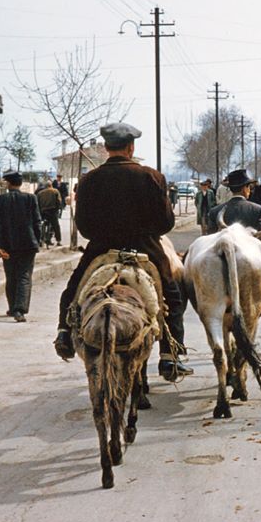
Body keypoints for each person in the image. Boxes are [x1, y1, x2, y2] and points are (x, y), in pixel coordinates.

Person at [54, 122, 191, 381]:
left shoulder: (88, 180)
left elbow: (83, 226)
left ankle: (64, 333)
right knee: (172, 297)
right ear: (131, 147)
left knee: (73, 291)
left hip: (101, 249)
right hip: (146, 249)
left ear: (106, 147)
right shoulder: (151, 177)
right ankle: (170, 356)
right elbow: (166, 224)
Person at [0, 172, 42, 322]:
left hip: (8, 245)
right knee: (24, 276)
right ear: (20, 184)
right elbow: (37, 222)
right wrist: (37, 241)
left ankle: (12, 307)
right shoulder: (30, 199)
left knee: (11, 276)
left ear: (8, 184)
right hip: (28, 244)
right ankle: (19, 309)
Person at [207, 169, 261, 234]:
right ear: (244, 189)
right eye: (249, 187)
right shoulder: (258, 210)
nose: (250, 190)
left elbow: (211, 237)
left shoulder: (215, 211)